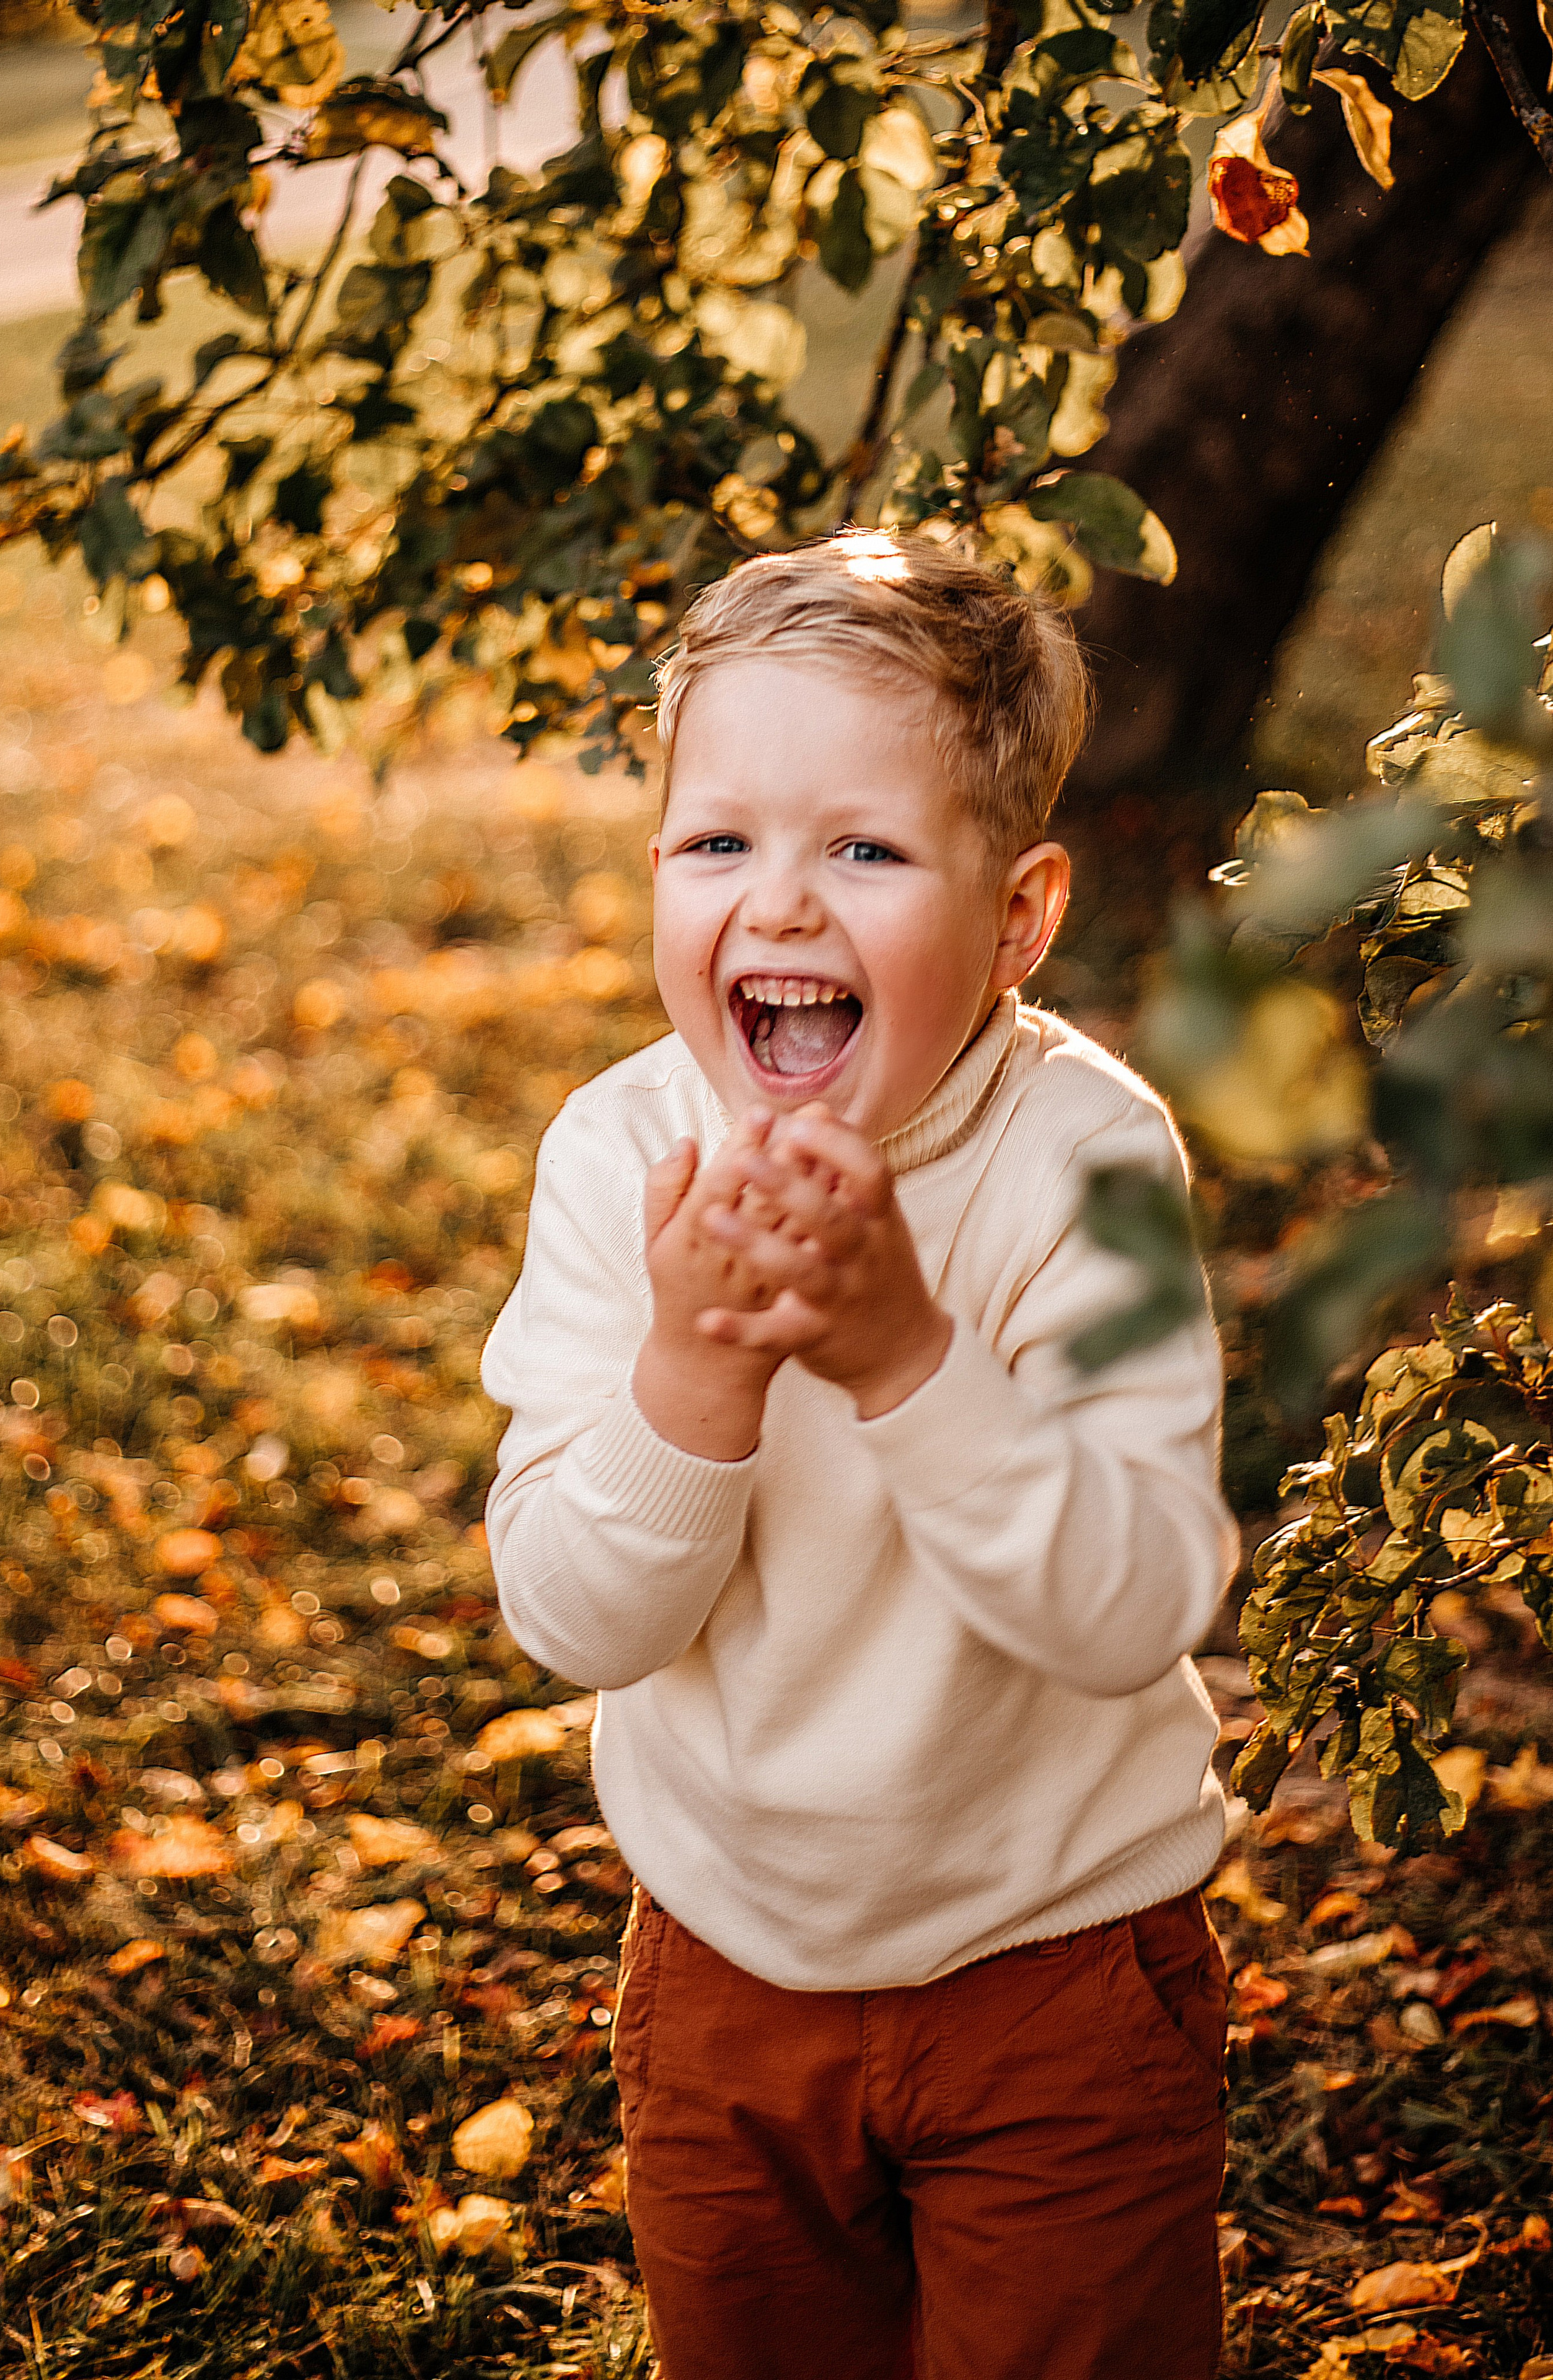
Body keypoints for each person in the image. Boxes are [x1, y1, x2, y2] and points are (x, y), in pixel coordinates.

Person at [480, 530, 1240, 2380]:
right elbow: (578, 1620)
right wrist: (695, 1383)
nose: (784, 907)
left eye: (868, 850)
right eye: (720, 841)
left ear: (1022, 916)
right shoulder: (620, 1156)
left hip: (1058, 1971)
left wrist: (907, 1358)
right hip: (727, 1972)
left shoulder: (1093, 1166)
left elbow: (1135, 1606)